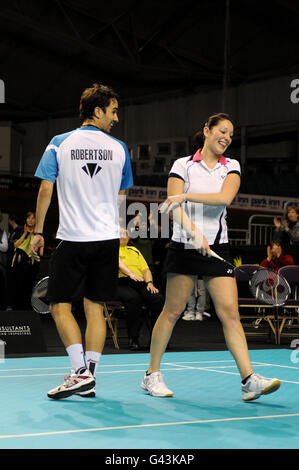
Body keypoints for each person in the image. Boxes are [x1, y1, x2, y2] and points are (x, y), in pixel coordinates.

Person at [141, 113, 281, 402]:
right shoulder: (182, 165)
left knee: (230, 313)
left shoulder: (231, 166)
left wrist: (188, 197)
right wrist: (194, 234)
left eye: (231, 134)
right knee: (172, 311)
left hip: (218, 247)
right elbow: (173, 207)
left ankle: (249, 380)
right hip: (184, 246)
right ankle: (151, 375)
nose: (227, 137)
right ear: (207, 131)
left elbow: (224, 198)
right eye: (222, 131)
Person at [31, 83, 133, 400]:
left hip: (74, 239)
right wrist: (119, 226)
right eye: (113, 111)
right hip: (105, 241)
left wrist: (38, 232)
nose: (116, 118)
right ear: (98, 110)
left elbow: (46, 190)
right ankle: (89, 376)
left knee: (59, 305)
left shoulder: (60, 144)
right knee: (95, 309)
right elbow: (121, 194)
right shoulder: (120, 149)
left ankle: (79, 373)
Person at [117, 229, 164, 350]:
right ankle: (133, 339)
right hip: (120, 283)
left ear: (129, 237)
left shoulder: (134, 250)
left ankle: (157, 338)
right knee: (134, 299)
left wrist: (149, 283)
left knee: (157, 298)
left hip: (139, 282)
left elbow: (145, 270)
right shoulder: (111, 249)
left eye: (125, 234)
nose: (123, 236)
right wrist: (130, 273)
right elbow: (119, 263)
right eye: (120, 234)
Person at [10, 211, 39, 310]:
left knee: (29, 286)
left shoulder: (38, 233)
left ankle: (27, 308)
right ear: (26, 220)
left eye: (33, 218)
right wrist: (25, 233)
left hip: (31, 263)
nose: (31, 220)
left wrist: (34, 234)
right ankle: (17, 308)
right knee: (18, 286)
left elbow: (41, 250)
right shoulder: (20, 230)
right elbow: (15, 245)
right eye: (29, 218)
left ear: (36, 220)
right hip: (19, 262)